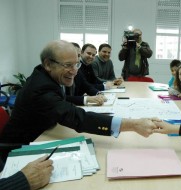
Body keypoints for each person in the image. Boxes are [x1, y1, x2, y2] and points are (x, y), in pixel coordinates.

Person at [0, 40, 157, 160]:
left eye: (76, 64)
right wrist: (134, 124)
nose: (74, 71)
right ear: (48, 64)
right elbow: (77, 118)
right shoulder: (41, 88)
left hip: (43, 135)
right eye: (68, 65)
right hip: (16, 152)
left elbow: (61, 103)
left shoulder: (43, 75)